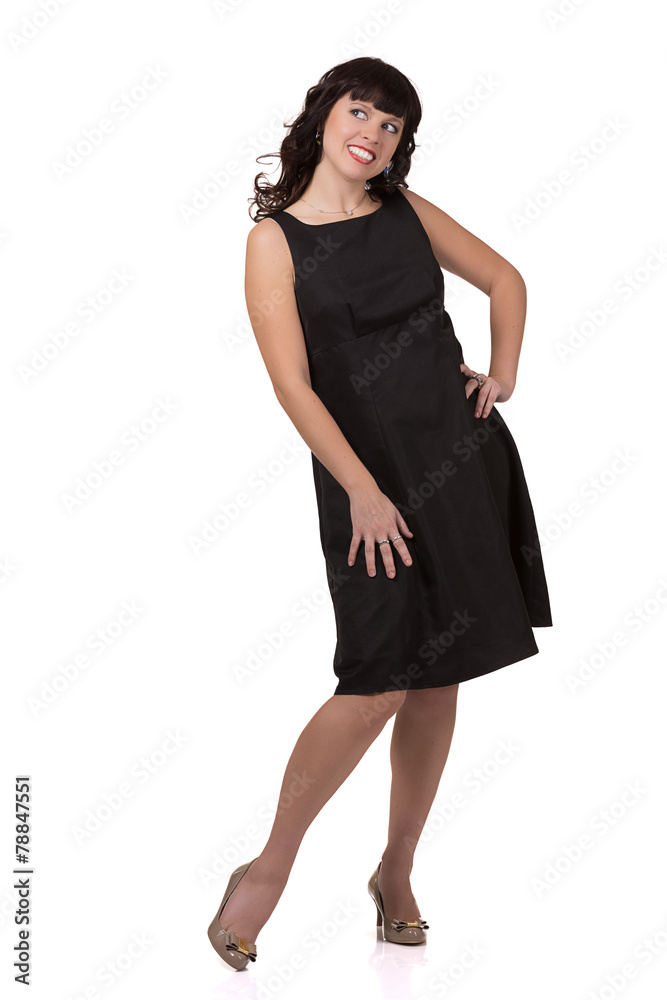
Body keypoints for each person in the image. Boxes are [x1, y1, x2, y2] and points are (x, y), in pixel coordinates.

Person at [208, 56, 552, 971]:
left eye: (392, 125)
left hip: (459, 461)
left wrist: (502, 374)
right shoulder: (274, 241)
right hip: (364, 482)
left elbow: (506, 279)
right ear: (324, 115)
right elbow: (291, 383)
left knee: (440, 674)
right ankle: (269, 867)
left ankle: (395, 871)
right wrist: (360, 489)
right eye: (361, 111)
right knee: (376, 682)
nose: (374, 133)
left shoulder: (405, 212)